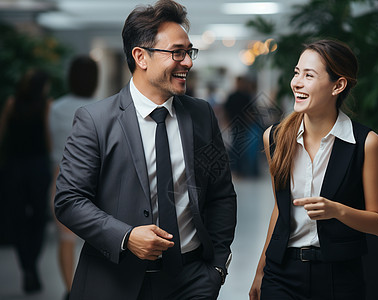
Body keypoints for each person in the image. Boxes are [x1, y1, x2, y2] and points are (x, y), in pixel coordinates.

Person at [53, 1, 237, 299]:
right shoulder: (96, 121)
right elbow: (69, 201)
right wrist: (125, 237)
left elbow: (221, 194)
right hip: (114, 281)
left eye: (189, 52)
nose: (188, 62)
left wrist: (216, 269)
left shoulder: (201, 115)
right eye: (177, 52)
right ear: (141, 56)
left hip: (190, 282)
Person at [249, 39, 378, 300]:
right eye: (296, 72)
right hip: (282, 273)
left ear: (338, 85)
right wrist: (260, 272)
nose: (297, 83)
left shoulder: (366, 144)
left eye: (309, 75)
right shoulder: (275, 138)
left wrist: (336, 210)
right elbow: (280, 209)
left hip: (339, 275)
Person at [49, 55, 99, 300]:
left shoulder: (55, 108)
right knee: (99, 237)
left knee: (66, 238)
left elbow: (49, 145)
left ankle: (70, 290)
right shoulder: (100, 108)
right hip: (94, 176)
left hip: (61, 176)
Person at [0, 69, 52, 294]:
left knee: (18, 218)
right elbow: (49, 139)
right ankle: (32, 265)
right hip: (38, 166)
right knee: (39, 217)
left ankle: (27, 267)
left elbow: (1, 135)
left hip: (14, 166)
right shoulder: (46, 105)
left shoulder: (11, 103)